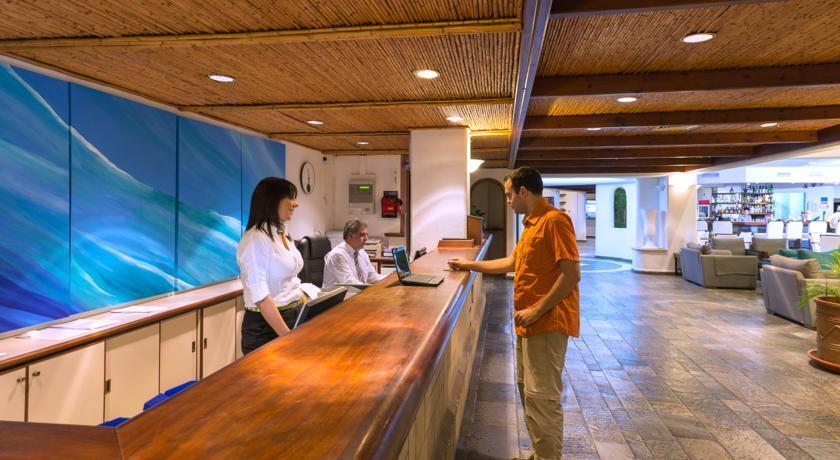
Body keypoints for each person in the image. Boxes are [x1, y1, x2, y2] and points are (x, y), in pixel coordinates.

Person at [449, 167, 580, 460]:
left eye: (509, 195)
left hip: (547, 322)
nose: (507, 201)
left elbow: (571, 274)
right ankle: (539, 453)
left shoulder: (555, 221)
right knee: (527, 391)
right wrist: (469, 265)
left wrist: (536, 309)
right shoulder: (531, 224)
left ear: (523, 191)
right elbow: (513, 263)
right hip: (529, 322)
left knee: (541, 397)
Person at [237, 177, 307, 355]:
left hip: (293, 317)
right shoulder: (255, 239)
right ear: (272, 201)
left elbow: (292, 281)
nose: (296, 204)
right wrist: (287, 337)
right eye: (290, 198)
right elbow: (261, 297)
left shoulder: (282, 232)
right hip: (267, 328)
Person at [322, 218, 385, 289]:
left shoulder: (362, 253)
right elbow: (350, 283)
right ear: (350, 236)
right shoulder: (337, 255)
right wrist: (369, 290)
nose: (366, 239)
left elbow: (372, 276)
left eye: (366, 235)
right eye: (362, 235)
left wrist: (389, 280)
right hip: (338, 295)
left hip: (355, 293)